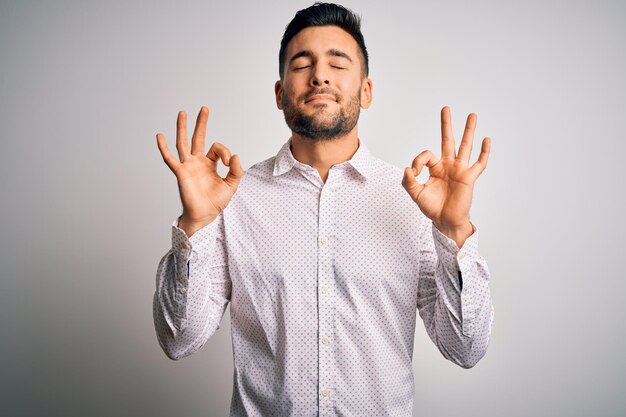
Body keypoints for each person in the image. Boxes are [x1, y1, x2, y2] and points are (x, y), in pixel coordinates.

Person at [153, 2, 494, 416]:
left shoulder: (412, 202)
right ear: (280, 94)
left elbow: (466, 348)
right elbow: (178, 340)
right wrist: (195, 224)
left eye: (338, 62)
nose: (319, 75)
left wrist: (455, 231)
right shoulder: (233, 198)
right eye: (302, 64)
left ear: (366, 91)